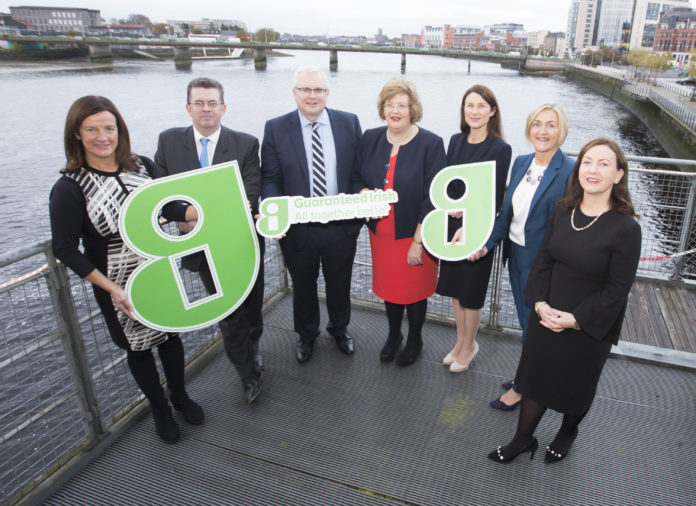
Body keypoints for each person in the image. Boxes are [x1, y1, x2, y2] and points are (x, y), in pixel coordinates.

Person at [49, 96, 204, 443]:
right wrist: (111, 289)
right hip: (116, 282)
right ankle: (160, 409)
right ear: (77, 134)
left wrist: (217, 208)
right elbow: (64, 248)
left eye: (109, 127)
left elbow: (172, 207)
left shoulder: (143, 167)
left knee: (170, 337)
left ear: (119, 130)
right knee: (138, 348)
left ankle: (180, 396)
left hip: (158, 269)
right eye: (91, 129)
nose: (102, 136)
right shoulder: (69, 187)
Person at [487, 137, 641, 464]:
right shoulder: (563, 210)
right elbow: (543, 260)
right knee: (534, 379)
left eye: (604, 164)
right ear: (579, 168)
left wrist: (574, 319)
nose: (593, 170)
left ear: (618, 175)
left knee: (576, 386)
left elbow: (617, 290)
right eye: (587, 161)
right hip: (548, 312)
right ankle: (522, 439)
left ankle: (568, 432)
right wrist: (540, 304)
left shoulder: (626, 228)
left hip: (588, 323)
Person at [155, 77, 265, 404]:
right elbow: (161, 198)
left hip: (242, 243)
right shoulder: (169, 143)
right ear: (188, 107)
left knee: (252, 307)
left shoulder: (246, 144)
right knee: (228, 313)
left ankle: (254, 346)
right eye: (200, 103)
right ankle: (249, 374)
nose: (206, 109)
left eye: (212, 103)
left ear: (223, 108)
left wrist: (191, 214)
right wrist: (190, 214)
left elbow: (249, 197)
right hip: (202, 250)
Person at [469, 103, 574, 410]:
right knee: (529, 323)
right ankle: (530, 376)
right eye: (537, 124)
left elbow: (569, 227)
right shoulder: (521, 162)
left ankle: (524, 387)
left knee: (534, 327)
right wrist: (487, 244)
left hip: (543, 266)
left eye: (551, 125)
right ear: (529, 129)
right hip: (516, 257)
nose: (543, 131)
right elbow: (507, 214)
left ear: (561, 130)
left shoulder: (568, 171)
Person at [261, 66, 363, 363]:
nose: (312, 95)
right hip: (297, 229)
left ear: (327, 94)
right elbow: (270, 178)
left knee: (339, 283)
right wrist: (273, 213)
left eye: (318, 90)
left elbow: (357, 173)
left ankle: (339, 328)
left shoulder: (349, 123)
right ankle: (307, 335)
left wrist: (361, 194)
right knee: (303, 286)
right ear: (294, 93)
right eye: (305, 89)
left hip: (340, 226)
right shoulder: (275, 128)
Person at [353, 77, 447, 366]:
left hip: (415, 232)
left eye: (402, 105)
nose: (395, 111)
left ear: (412, 110)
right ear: (382, 109)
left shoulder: (431, 143)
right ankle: (394, 336)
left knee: (415, 292)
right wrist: (364, 191)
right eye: (389, 104)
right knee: (390, 289)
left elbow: (434, 196)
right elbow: (354, 177)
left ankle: (415, 338)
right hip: (381, 233)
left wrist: (419, 241)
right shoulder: (369, 138)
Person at [436, 85, 512, 373]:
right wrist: (447, 207)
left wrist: (469, 225)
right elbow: (448, 181)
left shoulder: (500, 148)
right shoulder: (455, 141)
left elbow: (493, 196)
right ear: (463, 110)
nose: (475, 111)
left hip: (478, 227)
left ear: (492, 111)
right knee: (456, 289)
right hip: (452, 223)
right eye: (470, 105)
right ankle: (460, 341)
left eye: (481, 106)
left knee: (472, 292)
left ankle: (470, 346)